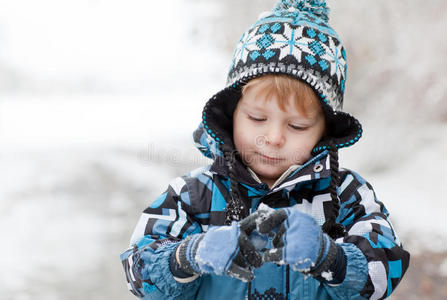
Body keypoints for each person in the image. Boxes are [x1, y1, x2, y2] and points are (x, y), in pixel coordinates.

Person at [120, 1, 410, 299]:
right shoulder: (193, 195)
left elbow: (385, 271)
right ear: (231, 113)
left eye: (297, 126)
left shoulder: (346, 195)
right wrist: (187, 255)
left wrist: (331, 257)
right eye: (257, 118)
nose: (273, 138)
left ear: (325, 132)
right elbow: (137, 272)